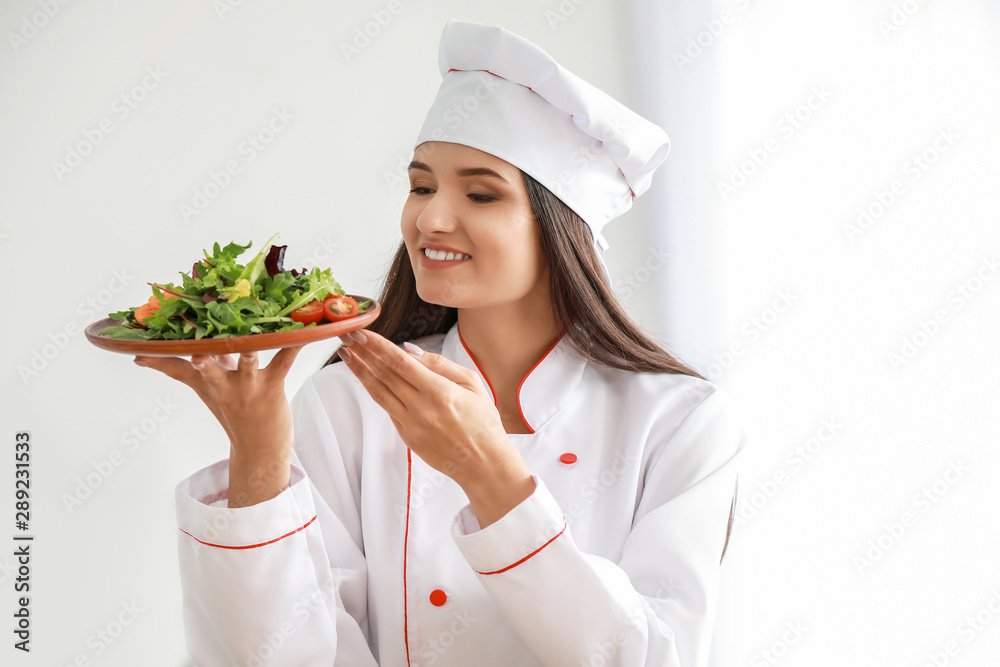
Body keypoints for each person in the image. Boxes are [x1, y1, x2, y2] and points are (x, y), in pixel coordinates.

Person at [135, 19, 745, 667]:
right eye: (421, 185)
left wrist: (487, 468)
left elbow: (652, 657)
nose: (429, 218)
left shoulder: (678, 420)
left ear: (563, 227)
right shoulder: (348, 400)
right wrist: (256, 458)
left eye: (479, 193)